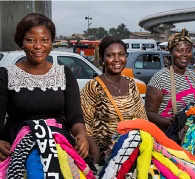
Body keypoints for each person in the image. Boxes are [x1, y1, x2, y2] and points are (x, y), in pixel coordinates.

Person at [0, 13, 90, 176]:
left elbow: (75, 117)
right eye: (31, 40)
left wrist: (81, 134)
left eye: (44, 40)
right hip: (15, 146)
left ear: (51, 42)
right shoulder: (6, 75)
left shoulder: (64, 73)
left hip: (57, 145)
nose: (38, 46)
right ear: (21, 41)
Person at [80, 36, 148, 164]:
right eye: (110, 55)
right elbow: (85, 125)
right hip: (103, 156)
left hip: (130, 152)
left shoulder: (131, 84)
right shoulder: (93, 86)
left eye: (121, 54)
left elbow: (141, 118)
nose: (117, 60)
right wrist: (96, 154)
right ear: (102, 60)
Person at [145, 28, 195, 130]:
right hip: (167, 135)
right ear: (171, 52)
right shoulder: (160, 79)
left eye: (188, 51)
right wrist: (172, 123)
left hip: (192, 134)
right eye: (179, 50)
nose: (184, 55)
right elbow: (149, 112)